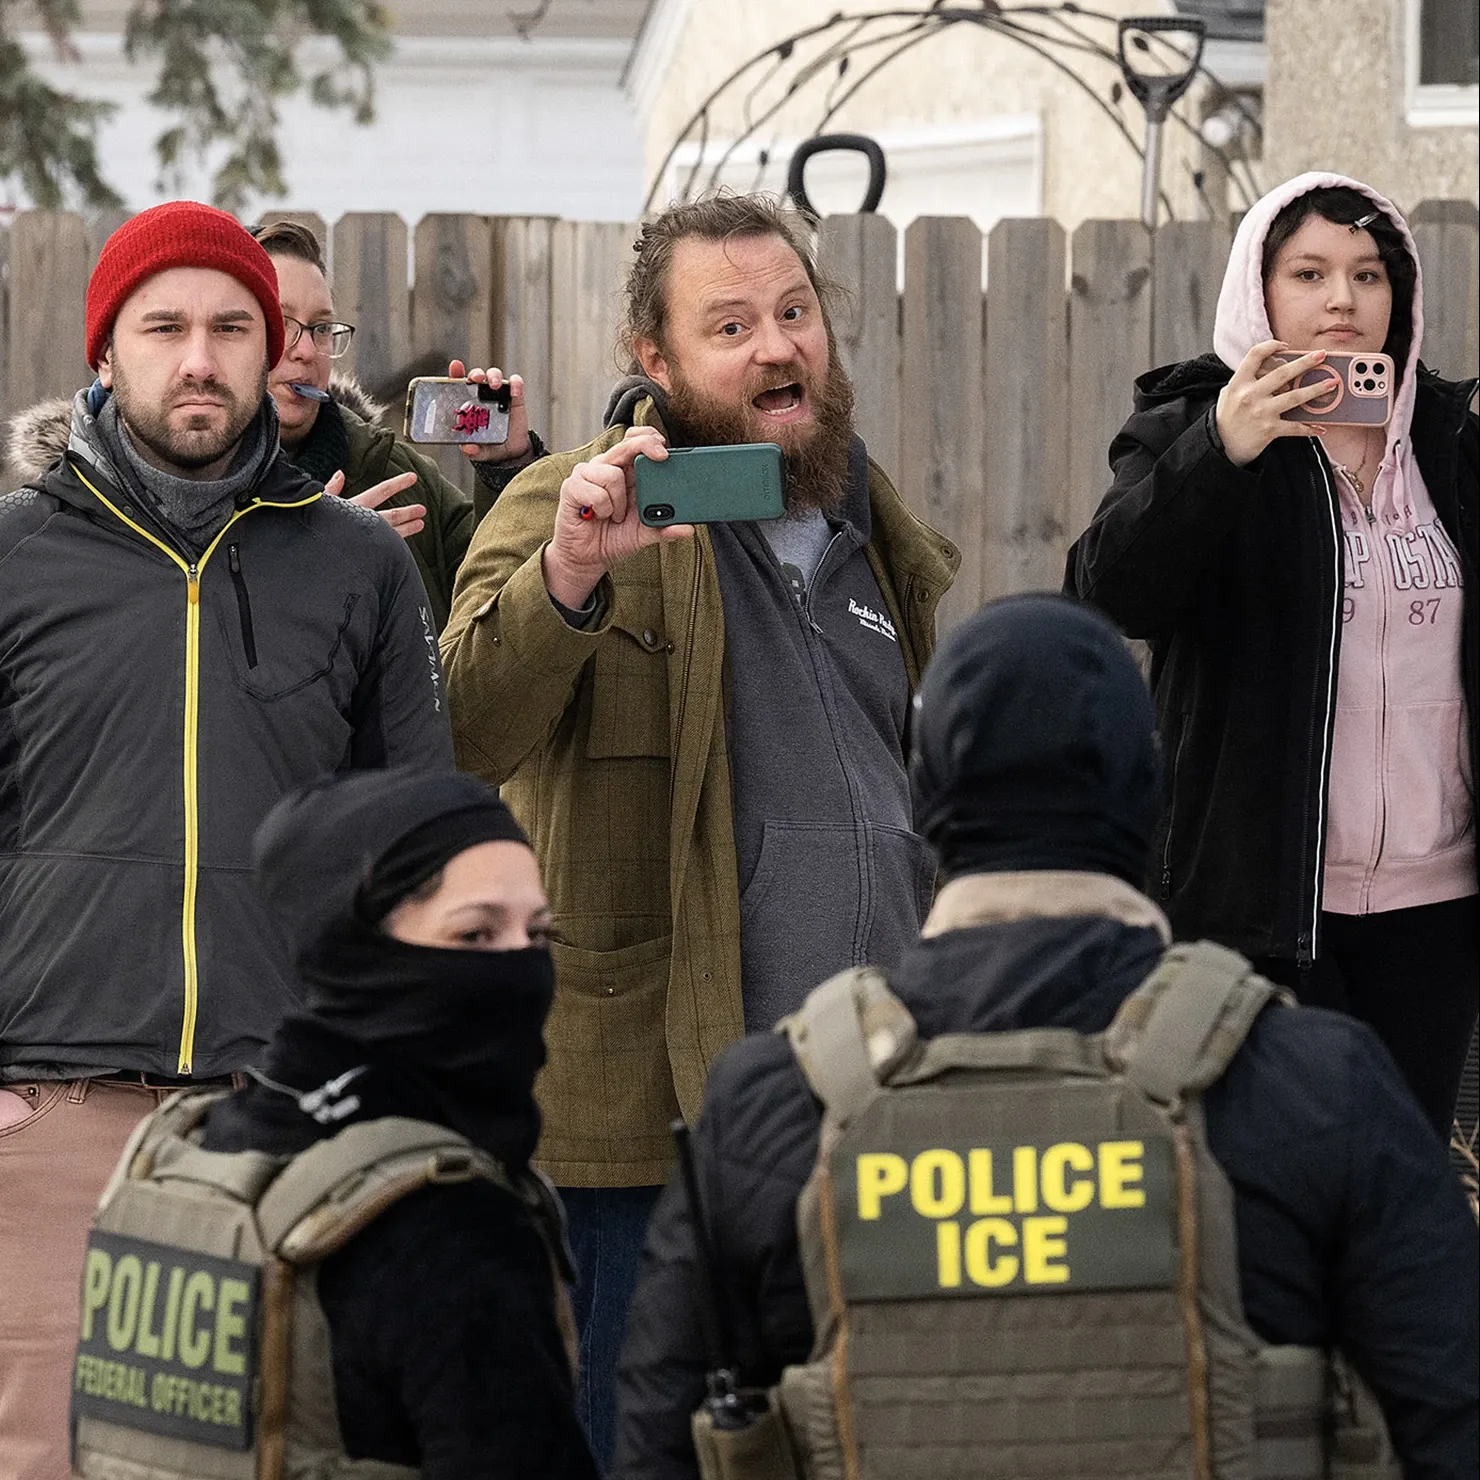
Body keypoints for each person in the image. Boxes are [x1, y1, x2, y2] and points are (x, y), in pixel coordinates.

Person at [613, 594, 1479, 1480]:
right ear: (1147, 791)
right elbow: (1448, 1422)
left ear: (926, 795)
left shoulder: (768, 1110)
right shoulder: (1317, 1086)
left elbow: (655, 1447)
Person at [440, 192, 959, 1467]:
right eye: (729, 326)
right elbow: (456, 725)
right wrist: (569, 572)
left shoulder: (872, 535)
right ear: (655, 362)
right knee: (642, 1450)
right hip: (653, 1123)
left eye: (793, 313)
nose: (777, 347)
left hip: (869, 1116)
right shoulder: (582, 503)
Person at [0, 201, 451, 1480]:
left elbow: (419, 848)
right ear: (106, 353)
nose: (198, 357)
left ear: (275, 352)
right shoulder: (14, 557)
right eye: (165, 327)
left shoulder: (360, 566)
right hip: (51, 1114)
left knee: (281, 1453)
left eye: (230, 328)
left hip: (287, 1116)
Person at [1067, 171, 1478, 1137]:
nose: (1343, 299)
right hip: (1269, 905)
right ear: (1262, 291)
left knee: (1401, 1183)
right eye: (1310, 272)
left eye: (1370, 274)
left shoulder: (1453, 442)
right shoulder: (1187, 423)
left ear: (1401, 295)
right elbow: (1107, 592)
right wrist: (1223, 446)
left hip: (1439, 904)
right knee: (1278, 1190)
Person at [70, 767, 598, 1480]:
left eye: (539, 934)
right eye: (475, 934)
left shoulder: (184, 1158)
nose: (521, 970)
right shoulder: (454, 1221)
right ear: (356, 947)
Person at [250, 219, 546, 631]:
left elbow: (508, 613)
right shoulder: (197, 488)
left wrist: (509, 469)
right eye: (282, 325)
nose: (306, 351)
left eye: (321, 329)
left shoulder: (401, 477)